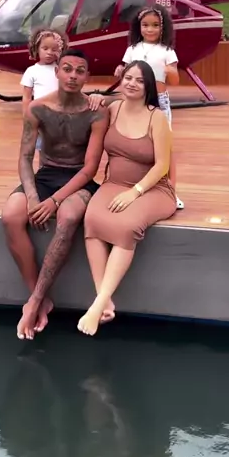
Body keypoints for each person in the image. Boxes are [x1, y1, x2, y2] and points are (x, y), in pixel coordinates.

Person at [2, 48, 109, 341]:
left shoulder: (96, 112)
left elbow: (90, 169)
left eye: (80, 71)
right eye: (67, 69)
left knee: (68, 216)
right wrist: (33, 197)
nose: (73, 76)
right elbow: (25, 158)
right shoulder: (38, 108)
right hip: (46, 176)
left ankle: (34, 301)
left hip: (78, 180)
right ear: (57, 72)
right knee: (11, 215)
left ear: (87, 77)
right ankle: (39, 296)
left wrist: (54, 201)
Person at [78, 60, 176, 336]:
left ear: (148, 87)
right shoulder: (113, 109)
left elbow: (162, 165)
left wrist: (135, 192)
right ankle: (104, 300)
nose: (132, 83)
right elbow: (92, 104)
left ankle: (97, 305)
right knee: (92, 219)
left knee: (127, 226)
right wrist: (96, 97)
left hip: (153, 188)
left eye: (140, 80)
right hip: (114, 184)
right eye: (128, 78)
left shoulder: (157, 118)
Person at [113, 5, 182, 208]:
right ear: (138, 27)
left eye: (155, 25)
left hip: (159, 99)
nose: (150, 29)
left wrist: (170, 71)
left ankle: (171, 190)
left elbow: (176, 81)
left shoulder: (167, 51)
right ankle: (135, 182)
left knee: (165, 145)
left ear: (163, 27)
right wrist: (119, 69)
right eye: (145, 25)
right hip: (135, 101)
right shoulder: (132, 50)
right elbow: (125, 72)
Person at [20, 29, 67, 154]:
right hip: (41, 116)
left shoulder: (62, 69)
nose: (49, 52)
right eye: (45, 48)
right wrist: (27, 117)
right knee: (43, 149)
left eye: (54, 49)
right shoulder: (32, 71)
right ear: (37, 48)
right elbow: (26, 97)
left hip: (61, 115)